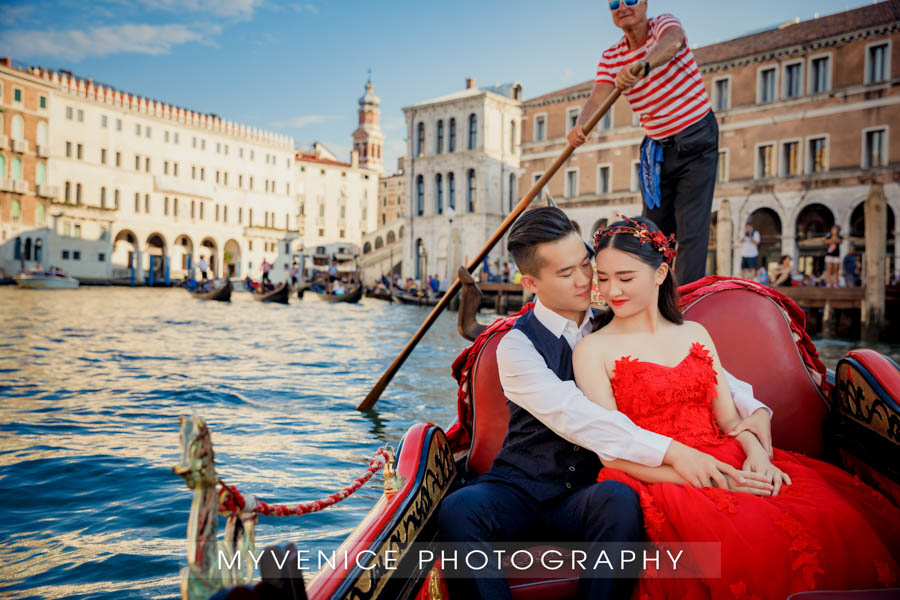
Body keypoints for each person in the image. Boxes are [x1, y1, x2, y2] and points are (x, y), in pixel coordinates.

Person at [438, 207, 776, 600]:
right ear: (530, 282)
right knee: (460, 510)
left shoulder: (613, 322)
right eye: (566, 274)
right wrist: (675, 452)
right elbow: (576, 416)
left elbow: (702, 369)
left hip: (586, 491)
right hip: (519, 488)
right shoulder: (517, 346)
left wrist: (757, 411)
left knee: (620, 500)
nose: (586, 281)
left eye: (586, 265)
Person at [574, 216, 899, 598]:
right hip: (659, 477)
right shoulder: (592, 349)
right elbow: (610, 453)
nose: (612, 290)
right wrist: (705, 478)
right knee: (751, 545)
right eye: (604, 277)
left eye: (625, 278)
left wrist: (759, 455)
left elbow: (729, 418)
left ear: (660, 272)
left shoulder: (695, 334)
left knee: (833, 517)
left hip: (729, 456)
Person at [568, 0, 717, 286]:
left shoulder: (663, 25)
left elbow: (672, 43)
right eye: (614, 3)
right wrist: (580, 126)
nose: (623, 6)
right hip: (658, 149)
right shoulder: (611, 57)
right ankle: (653, 298)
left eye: (631, 0)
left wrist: (643, 65)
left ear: (645, 3)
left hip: (696, 138)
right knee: (655, 233)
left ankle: (685, 303)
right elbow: (598, 97)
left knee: (691, 231)